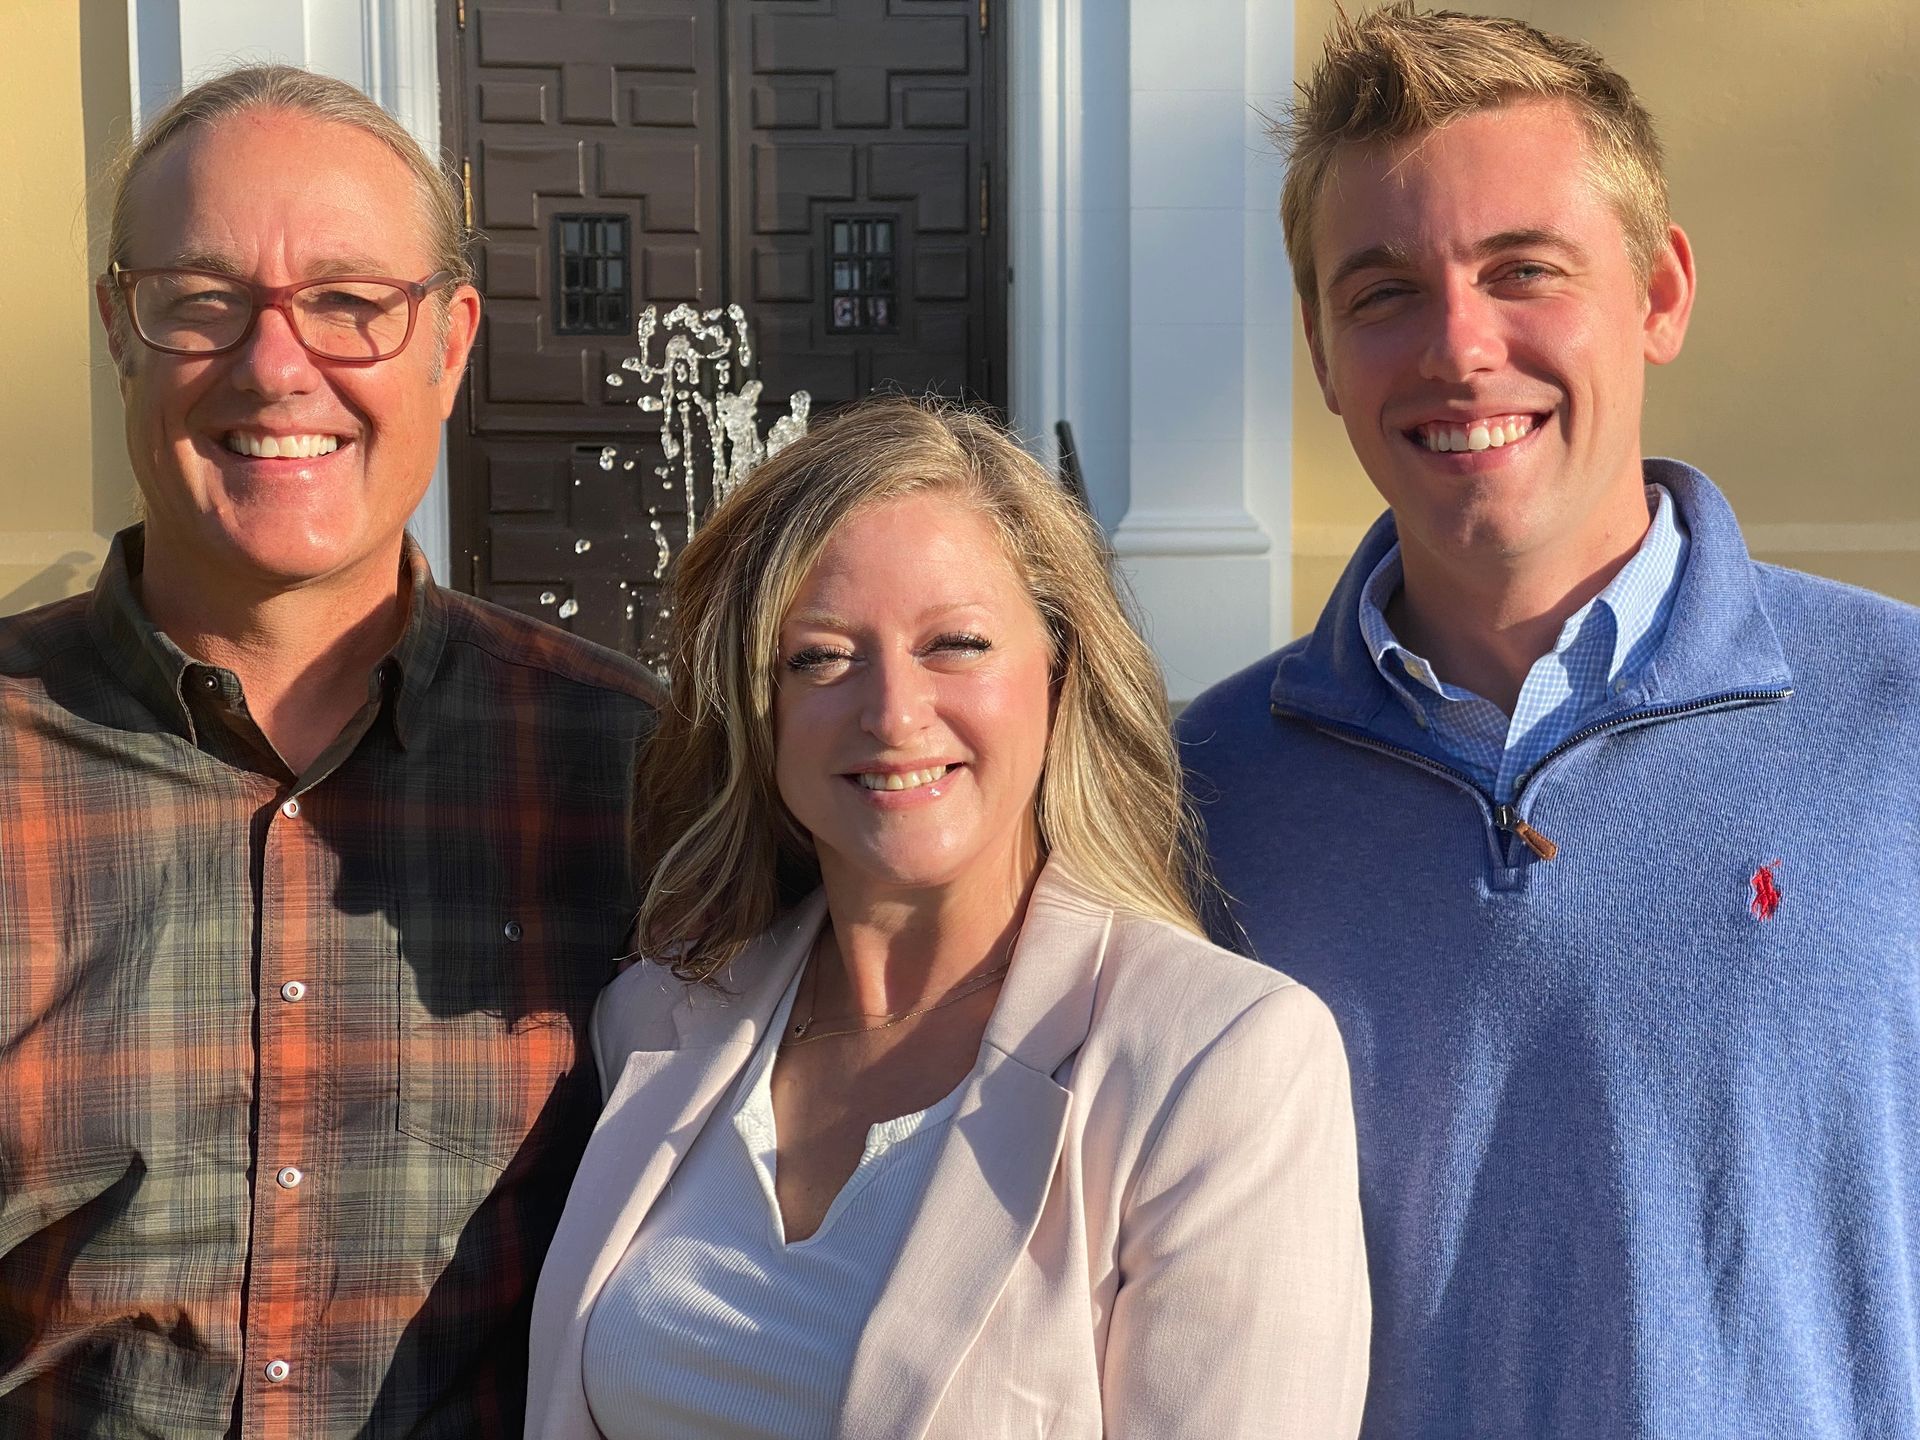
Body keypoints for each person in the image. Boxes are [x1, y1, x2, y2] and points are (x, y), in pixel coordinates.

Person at [1179, 5, 1920, 1437]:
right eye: (1381, 291)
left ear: (1659, 292)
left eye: (1524, 271)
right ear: (1324, 354)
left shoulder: (1901, 723)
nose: (1459, 348)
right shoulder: (1200, 795)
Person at [0, 67, 659, 1435]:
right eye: (202, 301)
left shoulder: (636, 778)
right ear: (121, 328)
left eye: (351, 303)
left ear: (452, 338)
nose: (276, 364)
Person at [525, 397, 1370, 1438]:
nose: (892, 712)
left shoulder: (1217, 1060)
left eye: (955, 643)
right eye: (820, 656)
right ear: (760, 707)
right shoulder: (656, 1018)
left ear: (1058, 674)